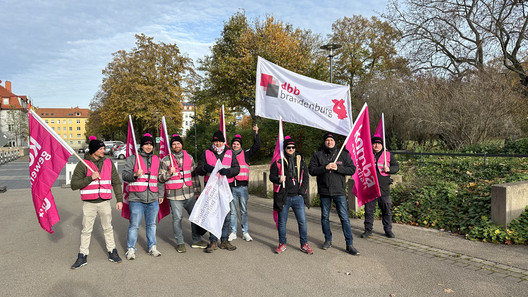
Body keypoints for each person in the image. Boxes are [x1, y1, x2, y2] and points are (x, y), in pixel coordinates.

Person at [70, 136, 123, 269]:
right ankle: (82, 255)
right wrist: (90, 178)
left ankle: (112, 251)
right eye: (101, 148)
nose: (103, 150)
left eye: (103, 148)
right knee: (86, 230)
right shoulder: (83, 164)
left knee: (108, 228)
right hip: (89, 204)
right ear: (94, 150)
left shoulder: (109, 163)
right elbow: (74, 184)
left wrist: (119, 200)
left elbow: (116, 182)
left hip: (105, 202)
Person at [308, 132, 360, 255]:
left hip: (339, 191)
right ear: (324, 142)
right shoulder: (318, 155)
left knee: (344, 218)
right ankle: (328, 240)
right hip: (324, 191)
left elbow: (352, 169)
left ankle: (349, 244)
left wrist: (339, 168)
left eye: (331, 140)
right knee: (325, 217)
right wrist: (324, 167)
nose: (329, 142)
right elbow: (311, 170)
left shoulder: (343, 155)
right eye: (327, 140)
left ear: (335, 142)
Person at [158, 134, 208, 253]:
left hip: (189, 193)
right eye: (174, 144)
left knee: (195, 217)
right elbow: (160, 178)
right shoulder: (165, 160)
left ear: (182, 145)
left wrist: (197, 191)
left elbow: (194, 175)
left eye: (178, 143)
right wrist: (169, 173)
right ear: (171, 146)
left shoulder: (189, 157)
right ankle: (180, 242)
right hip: (174, 196)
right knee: (177, 219)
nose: (176, 145)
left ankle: (196, 240)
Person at [196, 130, 240, 253]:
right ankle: (213, 241)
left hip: (226, 188)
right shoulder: (207, 153)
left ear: (223, 142)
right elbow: (198, 169)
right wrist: (205, 168)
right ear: (213, 142)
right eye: (216, 141)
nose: (218, 143)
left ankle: (224, 240)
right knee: (213, 214)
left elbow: (237, 168)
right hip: (211, 189)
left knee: (226, 215)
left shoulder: (230, 153)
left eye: (220, 141)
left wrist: (229, 171)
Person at [269, 136, 312, 254]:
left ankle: (304, 244)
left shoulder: (300, 159)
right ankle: (282, 244)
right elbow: (271, 177)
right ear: (285, 148)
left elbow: (306, 177)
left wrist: (302, 192)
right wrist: (278, 179)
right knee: (282, 222)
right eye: (288, 147)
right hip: (284, 197)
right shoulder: (279, 161)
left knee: (302, 222)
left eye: (293, 147)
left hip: (298, 197)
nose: (291, 149)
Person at [122, 133, 162, 260]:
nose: (149, 146)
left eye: (151, 144)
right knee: (134, 225)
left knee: (151, 225)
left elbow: (159, 179)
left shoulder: (157, 159)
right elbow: (124, 175)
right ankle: (130, 249)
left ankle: (152, 247)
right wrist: (134, 174)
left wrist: (160, 194)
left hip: (153, 198)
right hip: (136, 198)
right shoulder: (133, 159)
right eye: (146, 144)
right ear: (142, 146)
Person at [361, 136, 400, 238]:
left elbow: (396, 167)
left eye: (378, 143)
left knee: (386, 210)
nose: (376, 145)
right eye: (374, 143)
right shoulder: (367, 154)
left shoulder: (388, 155)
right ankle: (368, 230)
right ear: (372, 145)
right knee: (369, 210)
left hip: (384, 188)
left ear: (382, 145)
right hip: (370, 186)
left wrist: (389, 169)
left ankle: (388, 230)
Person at [228, 125, 260, 242]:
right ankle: (233, 232)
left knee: (243, 211)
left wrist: (256, 133)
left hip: (242, 187)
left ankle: (245, 232)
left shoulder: (246, 154)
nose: (235, 145)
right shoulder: (228, 155)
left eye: (237, 144)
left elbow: (256, 147)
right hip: (231, 187)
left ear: (240, 145)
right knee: (232, 211)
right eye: (234, 143)